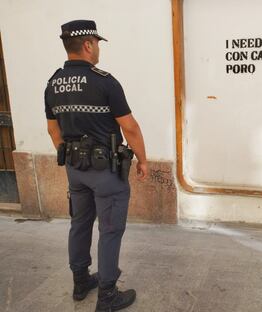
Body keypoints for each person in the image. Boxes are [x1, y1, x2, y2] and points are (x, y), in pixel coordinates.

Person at [44, 20, 148, 312]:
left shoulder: (53, 83)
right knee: (110, 230)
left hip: (75, 171)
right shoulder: (104, 81)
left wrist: (72, 158)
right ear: (88, 44)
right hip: (106, 172)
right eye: (98, 43)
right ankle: (107, 295)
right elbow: (131, 128)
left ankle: (80, 282)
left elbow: (54, 132)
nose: (99, 48)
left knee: (79, 224)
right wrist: (143, 159)